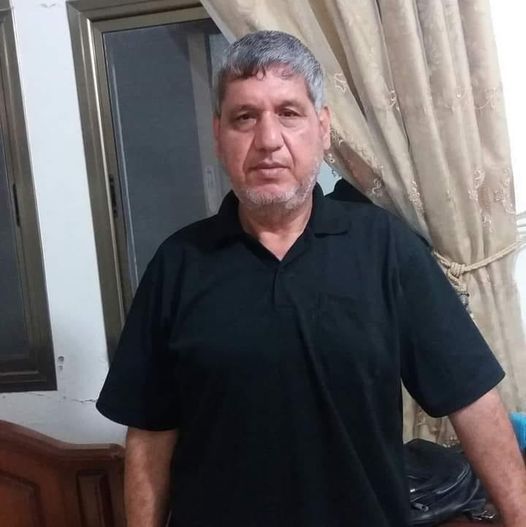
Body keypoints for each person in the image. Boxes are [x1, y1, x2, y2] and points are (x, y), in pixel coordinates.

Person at [96, 30, 526, 527]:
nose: (268, 140)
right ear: (218, 135)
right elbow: (149, 435)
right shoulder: (178, 265)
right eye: (244, 117)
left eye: (289, 113)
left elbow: (471, 399)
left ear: (322, 129)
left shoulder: (385, 248)